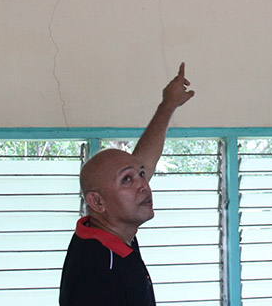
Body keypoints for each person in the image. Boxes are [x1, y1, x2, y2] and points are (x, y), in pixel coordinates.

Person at [59, 63, 195, 306]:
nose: (143, 185)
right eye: (127, 180)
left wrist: (168, 105)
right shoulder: (98, 273)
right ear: (97, 202)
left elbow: (142, 160)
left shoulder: (112, 233)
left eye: (141, 175)